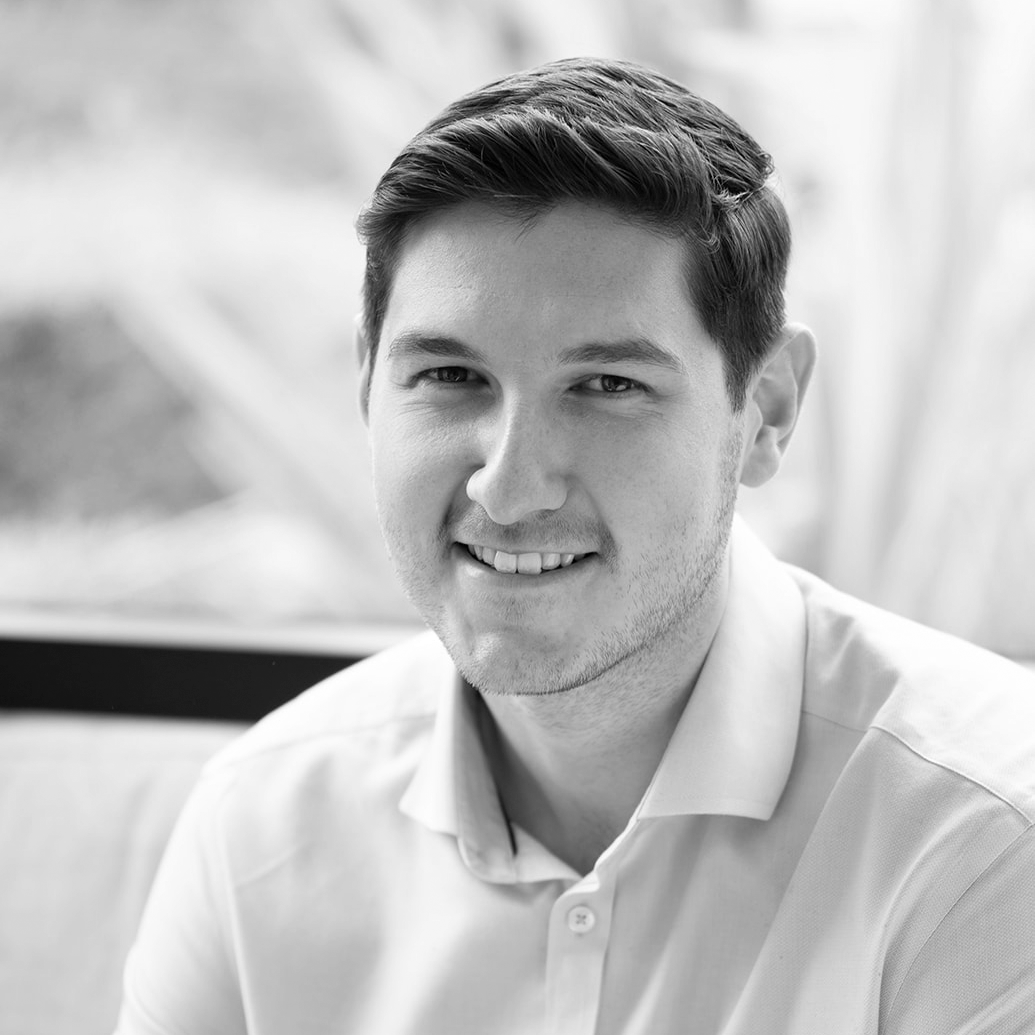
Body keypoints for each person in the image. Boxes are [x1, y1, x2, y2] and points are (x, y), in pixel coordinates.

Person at [115, 57, 1035, 1035]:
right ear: (366, 386)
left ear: (763, 411)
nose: (509, 486)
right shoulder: (260, 826)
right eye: (449, 375)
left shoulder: (983, 833)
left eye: (606, 386)